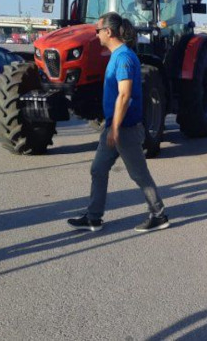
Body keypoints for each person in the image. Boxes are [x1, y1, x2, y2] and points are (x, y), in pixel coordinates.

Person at [67, 12, 169, 233]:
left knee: (139, 174)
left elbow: (124, 95)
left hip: (124, 129)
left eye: (97, 30)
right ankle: (93, 217)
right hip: (114, 127)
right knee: (98, 169)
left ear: (108, 31)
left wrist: (114, 128)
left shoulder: (124, 58)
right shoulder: (117, 56)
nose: (96, 35)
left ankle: (159, 215)